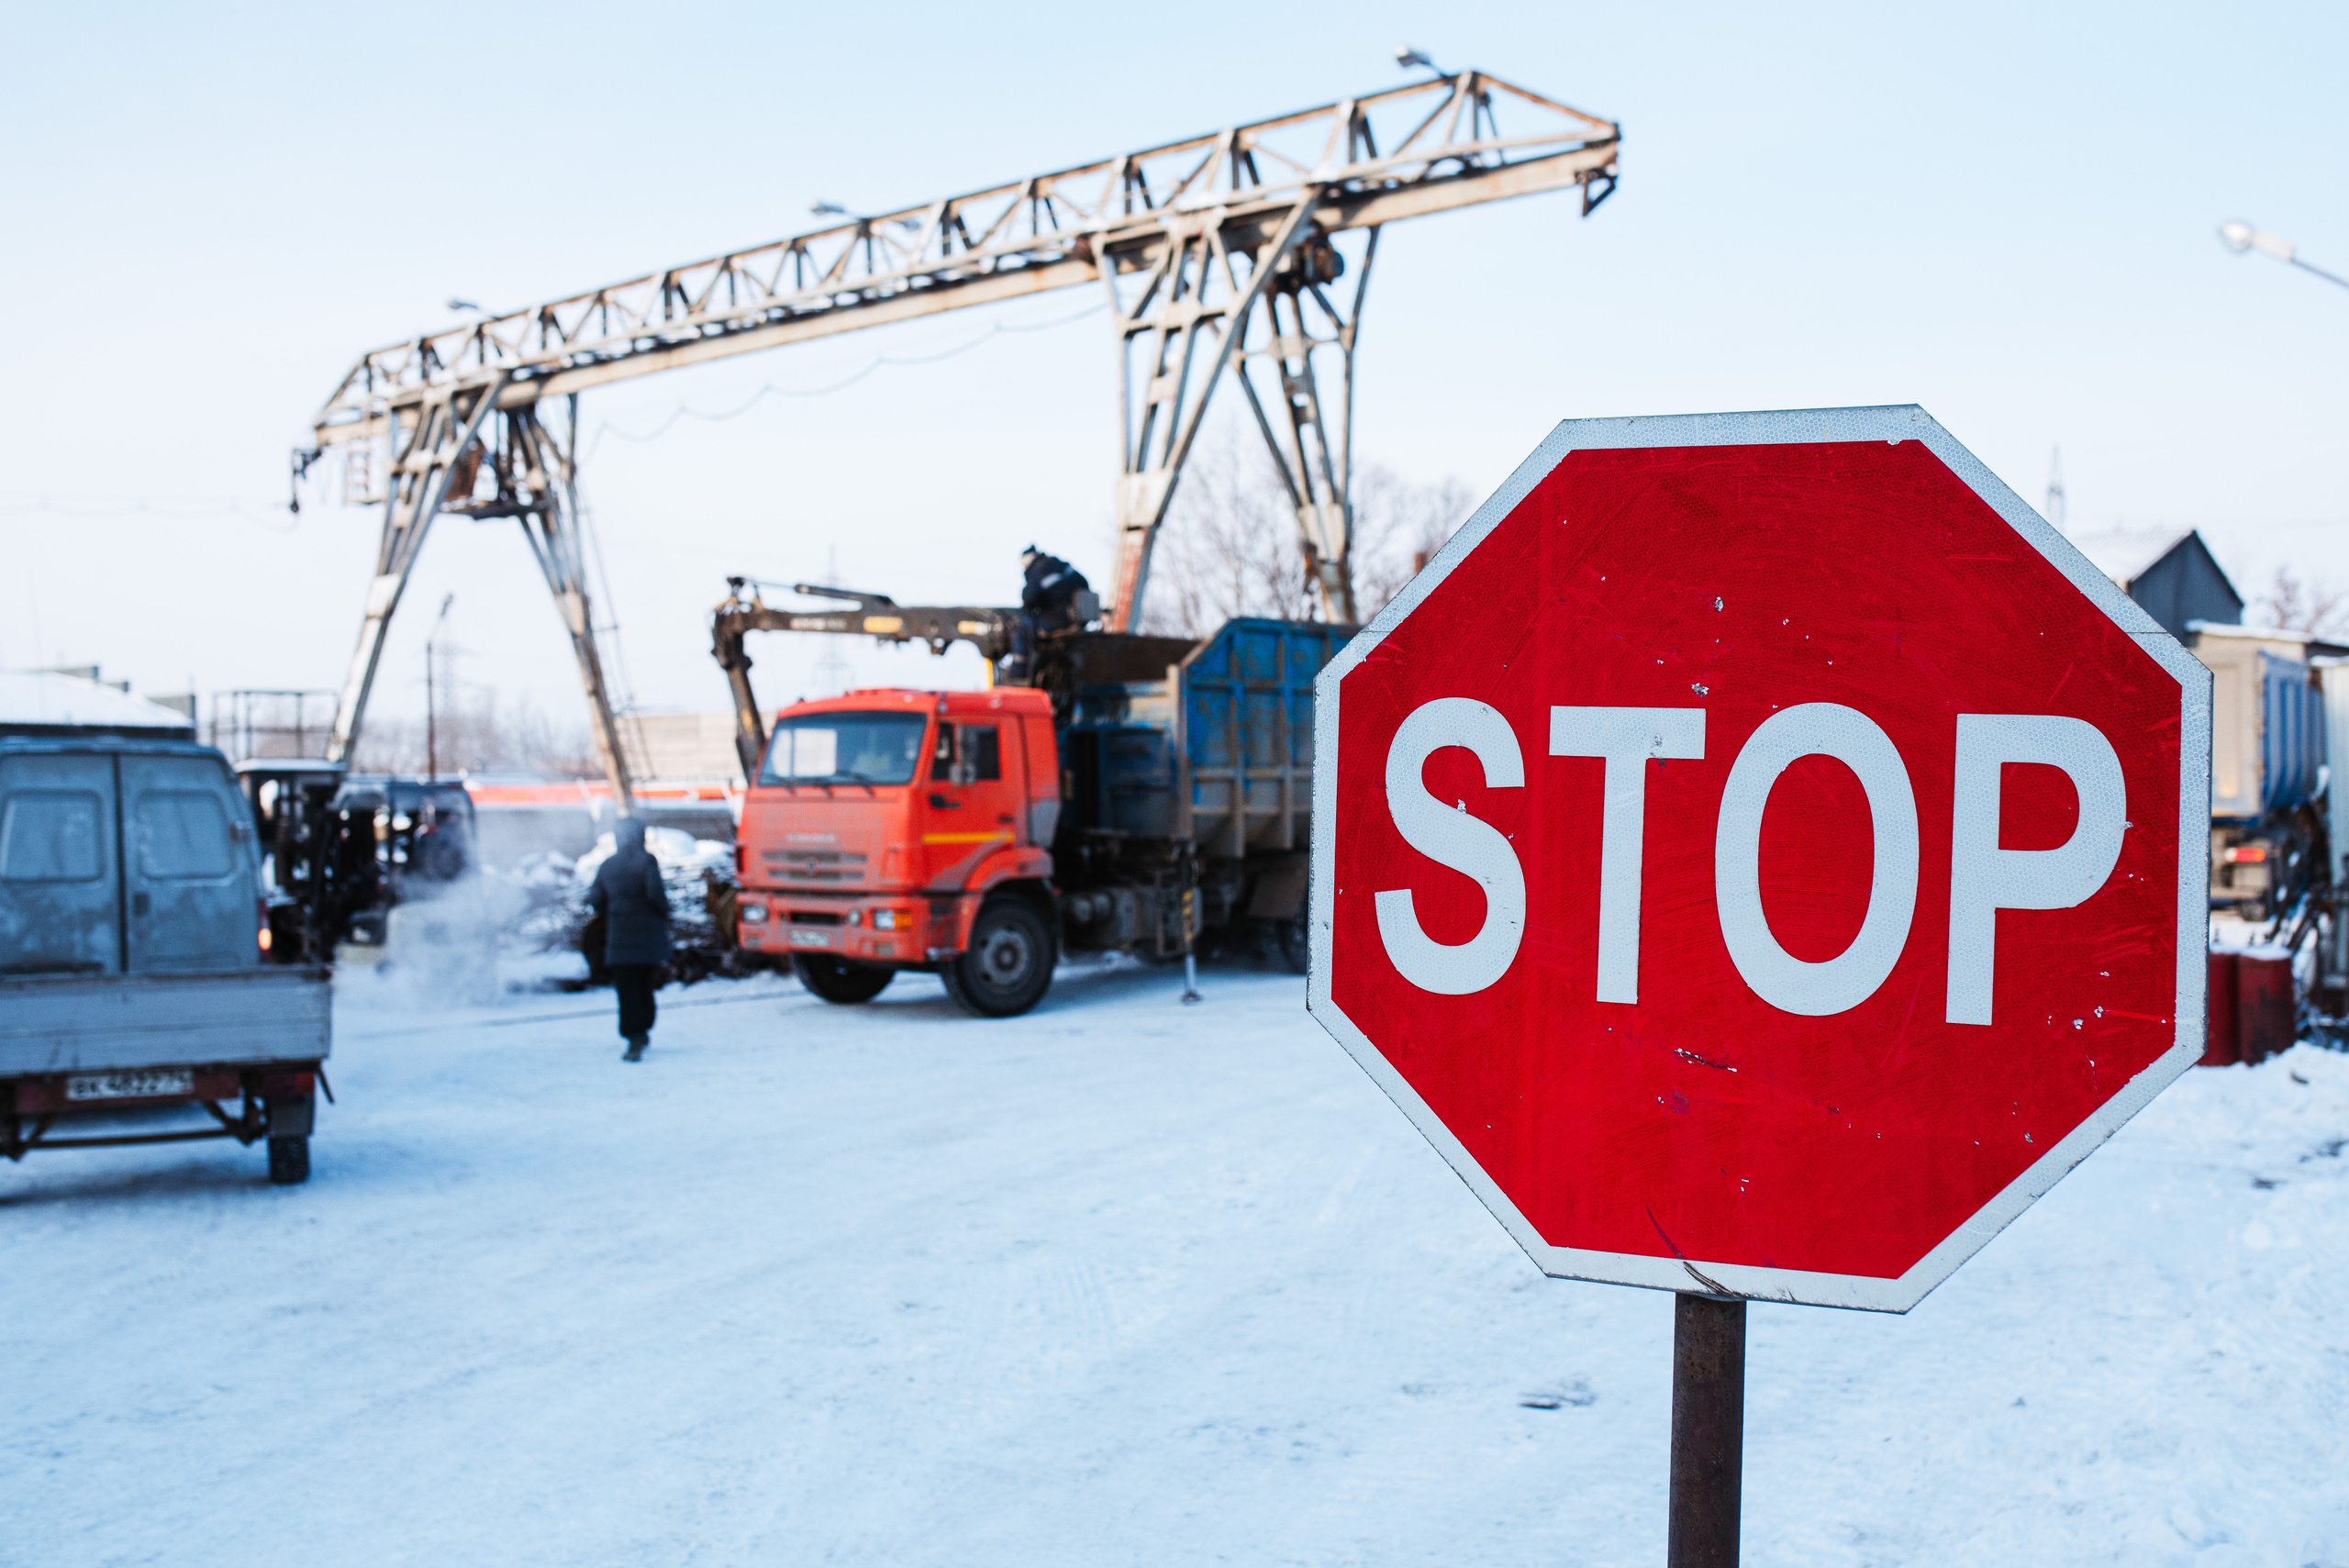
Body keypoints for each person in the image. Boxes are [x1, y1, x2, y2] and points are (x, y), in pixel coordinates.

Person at [588, 817, 671, 1061]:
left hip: (619, 937)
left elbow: (596, 900)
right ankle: (643, 1029)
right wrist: (664, 913)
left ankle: (633, 1035)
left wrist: (613, 915)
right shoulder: (646, 861)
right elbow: (655, 894)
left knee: (626, 989)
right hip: (646, 937)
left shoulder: (608, 865)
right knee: (644, 983)